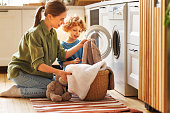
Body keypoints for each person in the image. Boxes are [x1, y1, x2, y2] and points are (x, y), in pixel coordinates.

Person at [0, 0, 87, 98]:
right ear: (50, 16)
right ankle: (16, 91)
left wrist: (80, 45)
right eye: (61, 19)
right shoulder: (35, 34)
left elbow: (62, 54)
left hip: (35, 73)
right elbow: (39, 65)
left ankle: (25, 87)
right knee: (54, 88)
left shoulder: (53, 33)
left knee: (61, 86)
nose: (63, 23)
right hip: (21, 73)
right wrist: (58, 71)